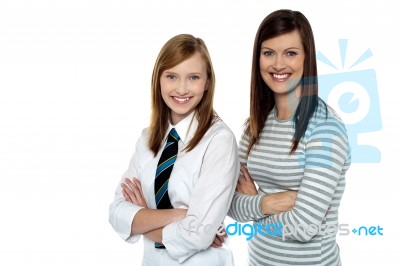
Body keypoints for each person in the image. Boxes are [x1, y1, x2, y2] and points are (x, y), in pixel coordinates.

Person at [228, 9, 351, 265]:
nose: (278, 64)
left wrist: (254, 205)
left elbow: (303, 227)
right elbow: (230, 205)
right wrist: (271, 202)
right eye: (268, 53)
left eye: (291, 53)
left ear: (307, 59)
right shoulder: (254, 126)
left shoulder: (325, 128)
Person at [109, 34, 240, 265]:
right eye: (171, 76)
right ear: (158, 79)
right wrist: (180, 216)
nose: (181, 88)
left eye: (193, 77)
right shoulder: (147, 139)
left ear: (207, 82)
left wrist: (143, 218)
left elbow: (198, 235)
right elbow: (117, 213)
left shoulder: (219, 141)